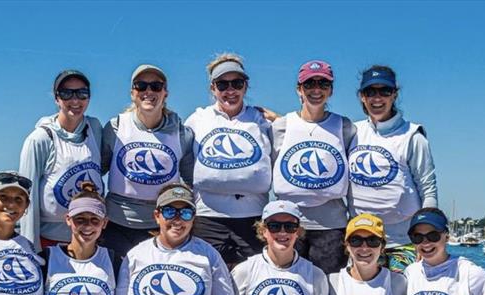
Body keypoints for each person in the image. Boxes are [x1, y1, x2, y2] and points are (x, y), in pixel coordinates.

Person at [186, 53, 274, 267]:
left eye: (237, 83)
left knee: (253, 279)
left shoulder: (262, 119)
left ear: (246, 86)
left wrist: (278, 119)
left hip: (253, 218)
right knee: (208, 278)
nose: (230, 90)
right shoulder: (197, 119)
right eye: (223, 84)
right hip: (208, 218)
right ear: (212, 88)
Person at [348, 65, 438, 272]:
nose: (377, 98)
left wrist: (425, 236)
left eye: (384, 91)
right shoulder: (351, 131)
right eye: (370, 92)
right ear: (362, 96)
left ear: (394, 94)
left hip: (403, 241)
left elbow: (428, 188)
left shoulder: (413, 135)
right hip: (364, 241)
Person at [101, 64, 195, 261]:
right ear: (132, 93)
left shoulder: (181, 133)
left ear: (165, 93)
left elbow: (192, 180)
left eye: (156, 86)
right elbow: (97, 171)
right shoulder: (115, 128)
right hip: (117, 225)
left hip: (160, 225)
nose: (148, 91)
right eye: (141, 86)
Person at [272, 60, 355, 274]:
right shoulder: (280, 126)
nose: (316, 90)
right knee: (291, 284)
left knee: (328, 289)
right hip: (288, 225)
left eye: (323, 84)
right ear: (299, 89)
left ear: (331, 90)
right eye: (309, 84)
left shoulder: (344, 127)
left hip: (331, 228)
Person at [20, 70, 104, 251]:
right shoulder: (40, 139)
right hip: (50, 241)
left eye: (82, 94)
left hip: (90, 239)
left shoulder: (95, 129)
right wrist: (30, 250)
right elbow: (28, 196)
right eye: (67, 94)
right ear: (56, 99)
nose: (75, 101)